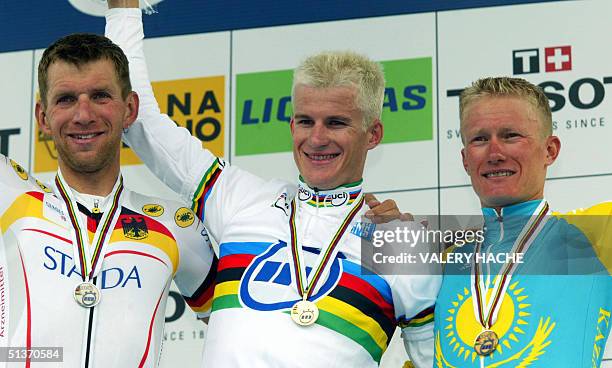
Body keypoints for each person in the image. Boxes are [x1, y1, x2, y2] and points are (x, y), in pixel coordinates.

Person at [105, 2, 440, 367]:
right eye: (305, 121)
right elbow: (140, 122)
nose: (317, 138)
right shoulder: (240, 198)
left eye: (337, 122)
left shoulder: (401, 243)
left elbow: (439, 360)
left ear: (373, 134)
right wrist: (124, 11)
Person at [0, 32, 216, 367]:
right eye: (66, 99)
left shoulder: (174, 226)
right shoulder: (10, 193)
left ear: (129, 108)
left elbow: (241, 331)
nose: (83, 115)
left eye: (100, 96)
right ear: (42, 116)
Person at [433, 77, 612, 367]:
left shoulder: (595, 234)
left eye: (511, 135)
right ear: (465, 159)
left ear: (550, 151)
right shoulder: (443, 258)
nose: (495, 153)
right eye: (480, 139)